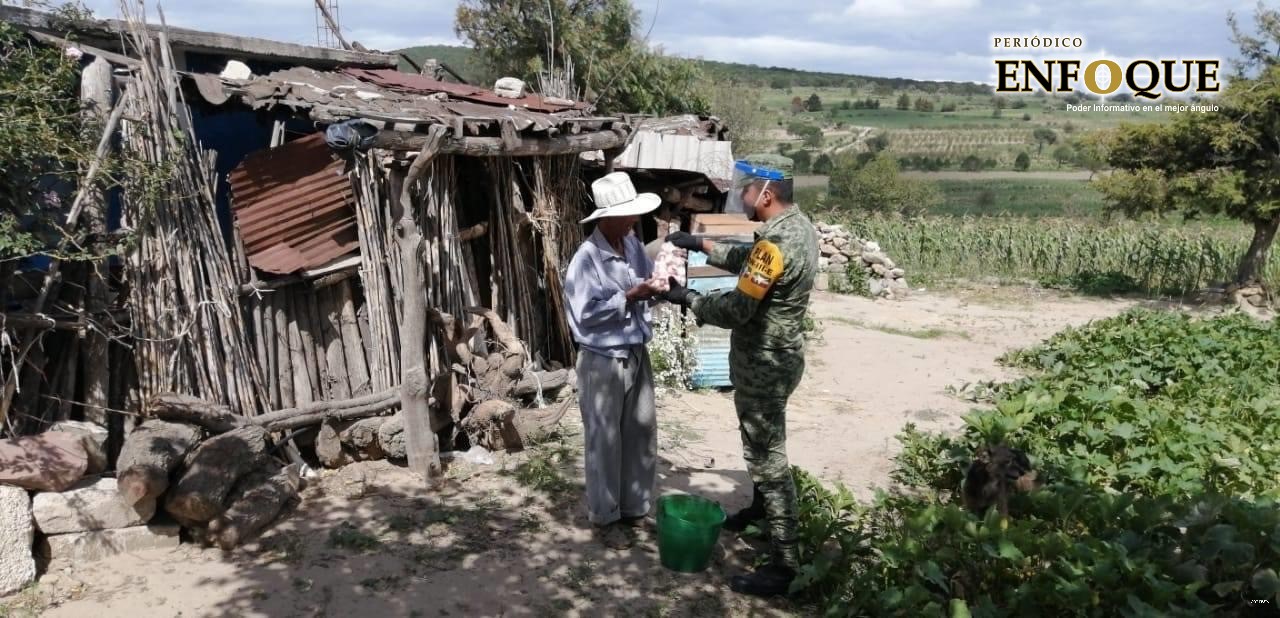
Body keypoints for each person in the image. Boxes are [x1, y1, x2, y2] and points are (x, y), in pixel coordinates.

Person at [661, 155, 819, 597]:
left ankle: (785, 564)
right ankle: (760, 510)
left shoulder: (774, 245)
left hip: (763, 366)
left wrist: (689, 298)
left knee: (768, 459)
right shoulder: (799, 229)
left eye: (746, 190)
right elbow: (750, 261)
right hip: (783, 358)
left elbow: (736, 309)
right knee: (763, 445)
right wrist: (699, 243)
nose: (742, 197)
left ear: (766, 193)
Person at [563, 171, 663, 550]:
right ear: (608, 217)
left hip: (636, 350)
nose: (634, 220)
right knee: (604, 440)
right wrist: (630, 296)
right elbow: (584, 314)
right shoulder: (586, 260)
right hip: (602, 359)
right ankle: (605, 518)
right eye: (628, 214)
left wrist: (658, 286)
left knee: (640, 432)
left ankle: (634, 509)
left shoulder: (632, 245)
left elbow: (647, 284)